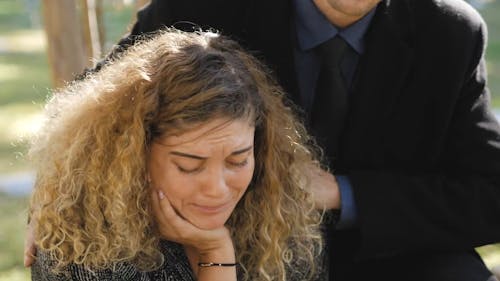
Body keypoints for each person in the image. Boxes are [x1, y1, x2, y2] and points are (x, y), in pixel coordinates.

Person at [37, 0, 500, 280]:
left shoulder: (450, 33)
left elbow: (490, 194)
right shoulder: (201, 3)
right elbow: (94, 110)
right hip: (223, 244)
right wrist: (55, 193)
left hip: (386, 257)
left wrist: (343, 193)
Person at [27, 29, 326, 281]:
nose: (217, 189)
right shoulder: (82, 253)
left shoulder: (280, 227)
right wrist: (215, 255)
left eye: (238, 160)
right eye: (189, 166)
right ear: (133, 156)